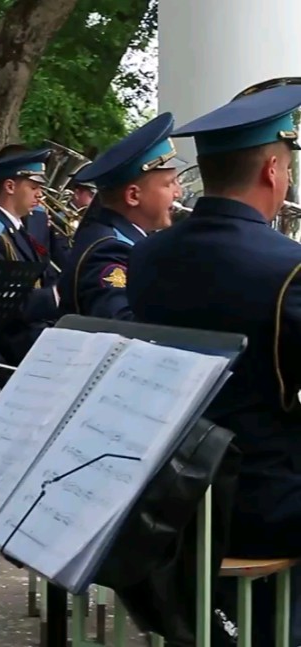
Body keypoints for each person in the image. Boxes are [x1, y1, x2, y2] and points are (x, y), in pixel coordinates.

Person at [127, 82, 301, 645]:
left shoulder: (148, 255)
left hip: (170, 491)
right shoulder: (288, 267)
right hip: (258, 500)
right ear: (273, 171)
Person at [57, 112, 184, 320]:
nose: (178, 193)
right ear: (133, 196)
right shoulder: (109, 249)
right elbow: (121, 325)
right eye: (169, 183)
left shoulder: (126, 238)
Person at [0, 149, 59, 363]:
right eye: (33, 187)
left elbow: (45, 271)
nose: (40, 195)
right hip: (11, 338)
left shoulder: (17, 227)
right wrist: (54, 296)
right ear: (9, 186)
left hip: (34, 326)